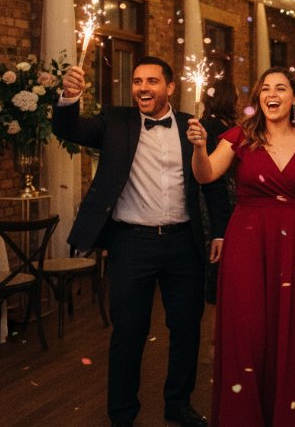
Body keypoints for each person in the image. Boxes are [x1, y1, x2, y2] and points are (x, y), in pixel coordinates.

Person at [52, 57, 208, 427]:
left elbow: (209, 177)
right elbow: (70, 130)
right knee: (129, 332)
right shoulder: (115, 121)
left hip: (183, 242)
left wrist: (217, 232)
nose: (142, 88)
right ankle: (122, 414)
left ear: (170, 88)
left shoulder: (191, 125)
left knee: (186, 328)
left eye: (152, 81)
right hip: (131, 244)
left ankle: (178, 404)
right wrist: (68, 99)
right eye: (138, 81)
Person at [188, 68, 295, 427]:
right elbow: (205, 175)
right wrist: (197, 148)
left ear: (294, 98)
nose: (272, 94)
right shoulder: (239, 137)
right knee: (247, 331)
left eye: (280, 88)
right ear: (258, 98)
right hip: (248, 241)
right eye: (265, 88)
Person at [198, 80, 238, 304]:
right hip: (219, 198)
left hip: (212, 197)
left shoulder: (207, 124)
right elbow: (214, 176)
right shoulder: (220, 130)